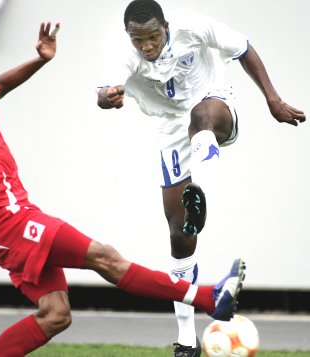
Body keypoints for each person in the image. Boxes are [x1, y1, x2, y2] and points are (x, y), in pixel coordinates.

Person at [0, 22, 245, 357]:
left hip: (18, 218)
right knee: (106, 257)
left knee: (55, 315)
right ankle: (209, 297)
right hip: (6, 224)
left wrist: (39, 60)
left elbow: (1, 85)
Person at [96, 0, 306, 356]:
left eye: (153, 36)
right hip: (170, 129)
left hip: (213, 102)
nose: (147, 46)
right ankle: (186, 341)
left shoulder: (192, 25)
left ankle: (200, 189)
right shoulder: (124, 54)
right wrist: (108, 98)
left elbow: (243, 48)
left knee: (201, 117)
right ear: (128, 36)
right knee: (180, 236)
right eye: (138, 40)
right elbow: (103, 92)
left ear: (165, 25)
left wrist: (273, 99)